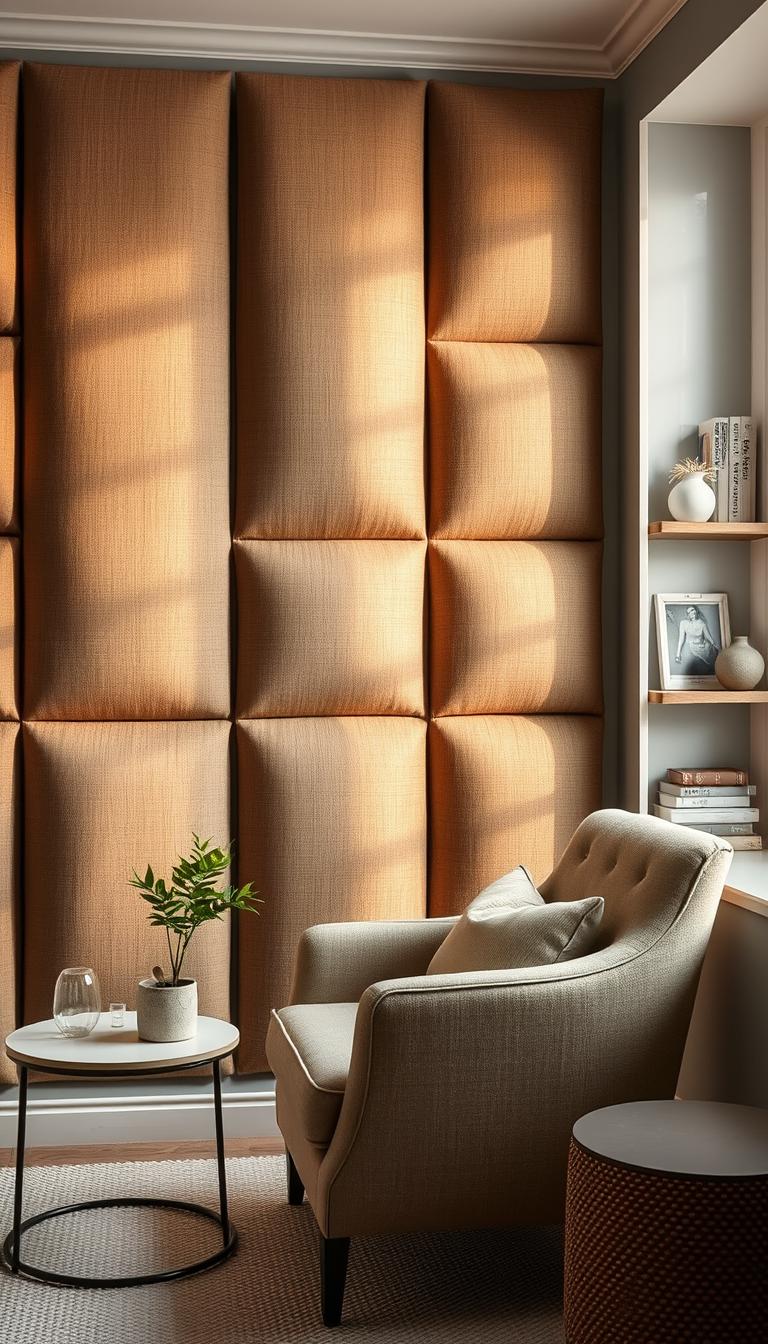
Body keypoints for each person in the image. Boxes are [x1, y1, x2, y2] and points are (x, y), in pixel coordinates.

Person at [674, 605, 719, 671]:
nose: (691, 613)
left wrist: (714, 645)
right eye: (689, 612)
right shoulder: (684, 623)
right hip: (691, 648)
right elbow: (681, 639)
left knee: (709, 663)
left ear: (696, 611)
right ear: (688, 615)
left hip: (702, 648)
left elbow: (708, 636)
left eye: (692, 610)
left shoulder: (702, 623)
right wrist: (678, 655)